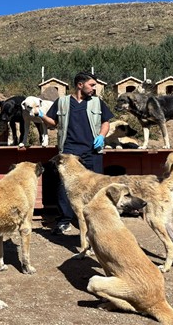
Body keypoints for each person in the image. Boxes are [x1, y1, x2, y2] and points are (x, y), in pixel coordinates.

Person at [39, 71, 113, 235]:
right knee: (64, 186)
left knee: (96, 185)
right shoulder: (62, 102)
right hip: (69, 151)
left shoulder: (97, 102)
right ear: (80, 85)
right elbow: (53, 122)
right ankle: (65, 220)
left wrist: (101, 136)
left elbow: (106, 122)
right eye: (91, 85)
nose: (94, 88)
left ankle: (95, 219)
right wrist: (41, 115)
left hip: (92, 150)